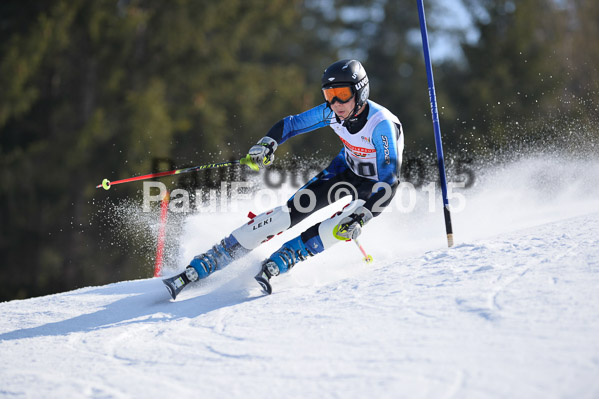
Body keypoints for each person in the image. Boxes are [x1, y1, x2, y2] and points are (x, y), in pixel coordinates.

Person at [163, 59, 404, 299]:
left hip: (376, 185)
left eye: (342, 94)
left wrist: (362, 217)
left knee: (340, 227)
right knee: (289, 213)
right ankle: (215, 256)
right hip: (344, 171)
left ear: (360, 91)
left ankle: (288, 256)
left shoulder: (380, 125)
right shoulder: (330, 112)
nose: (336, 103)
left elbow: (389, 180)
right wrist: (267, 143)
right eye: (329, 95)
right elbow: (292, 124)